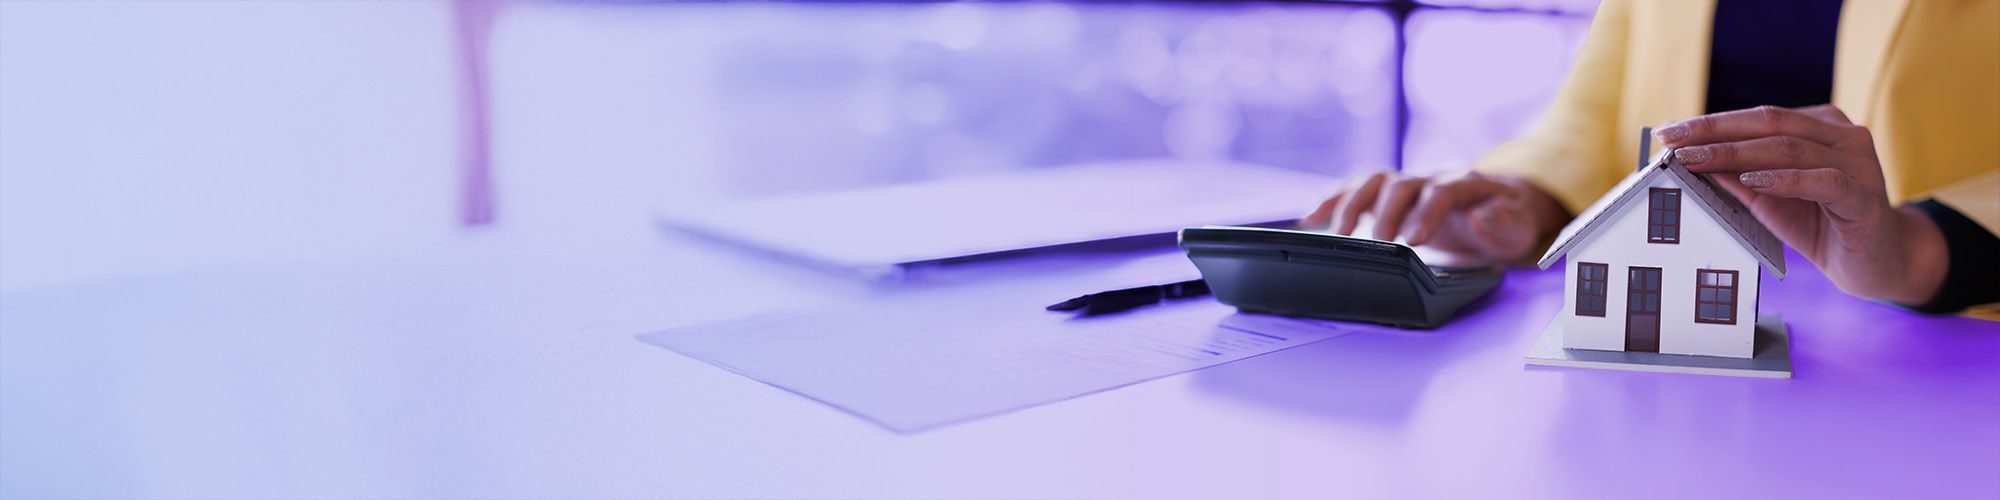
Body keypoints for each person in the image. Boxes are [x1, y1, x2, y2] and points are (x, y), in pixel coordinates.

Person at [1302, 0, 1998, 316]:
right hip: (1682, 327)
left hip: (1938, 330)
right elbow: (1600, 102)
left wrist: (1918, 247)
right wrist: (1527, 194)